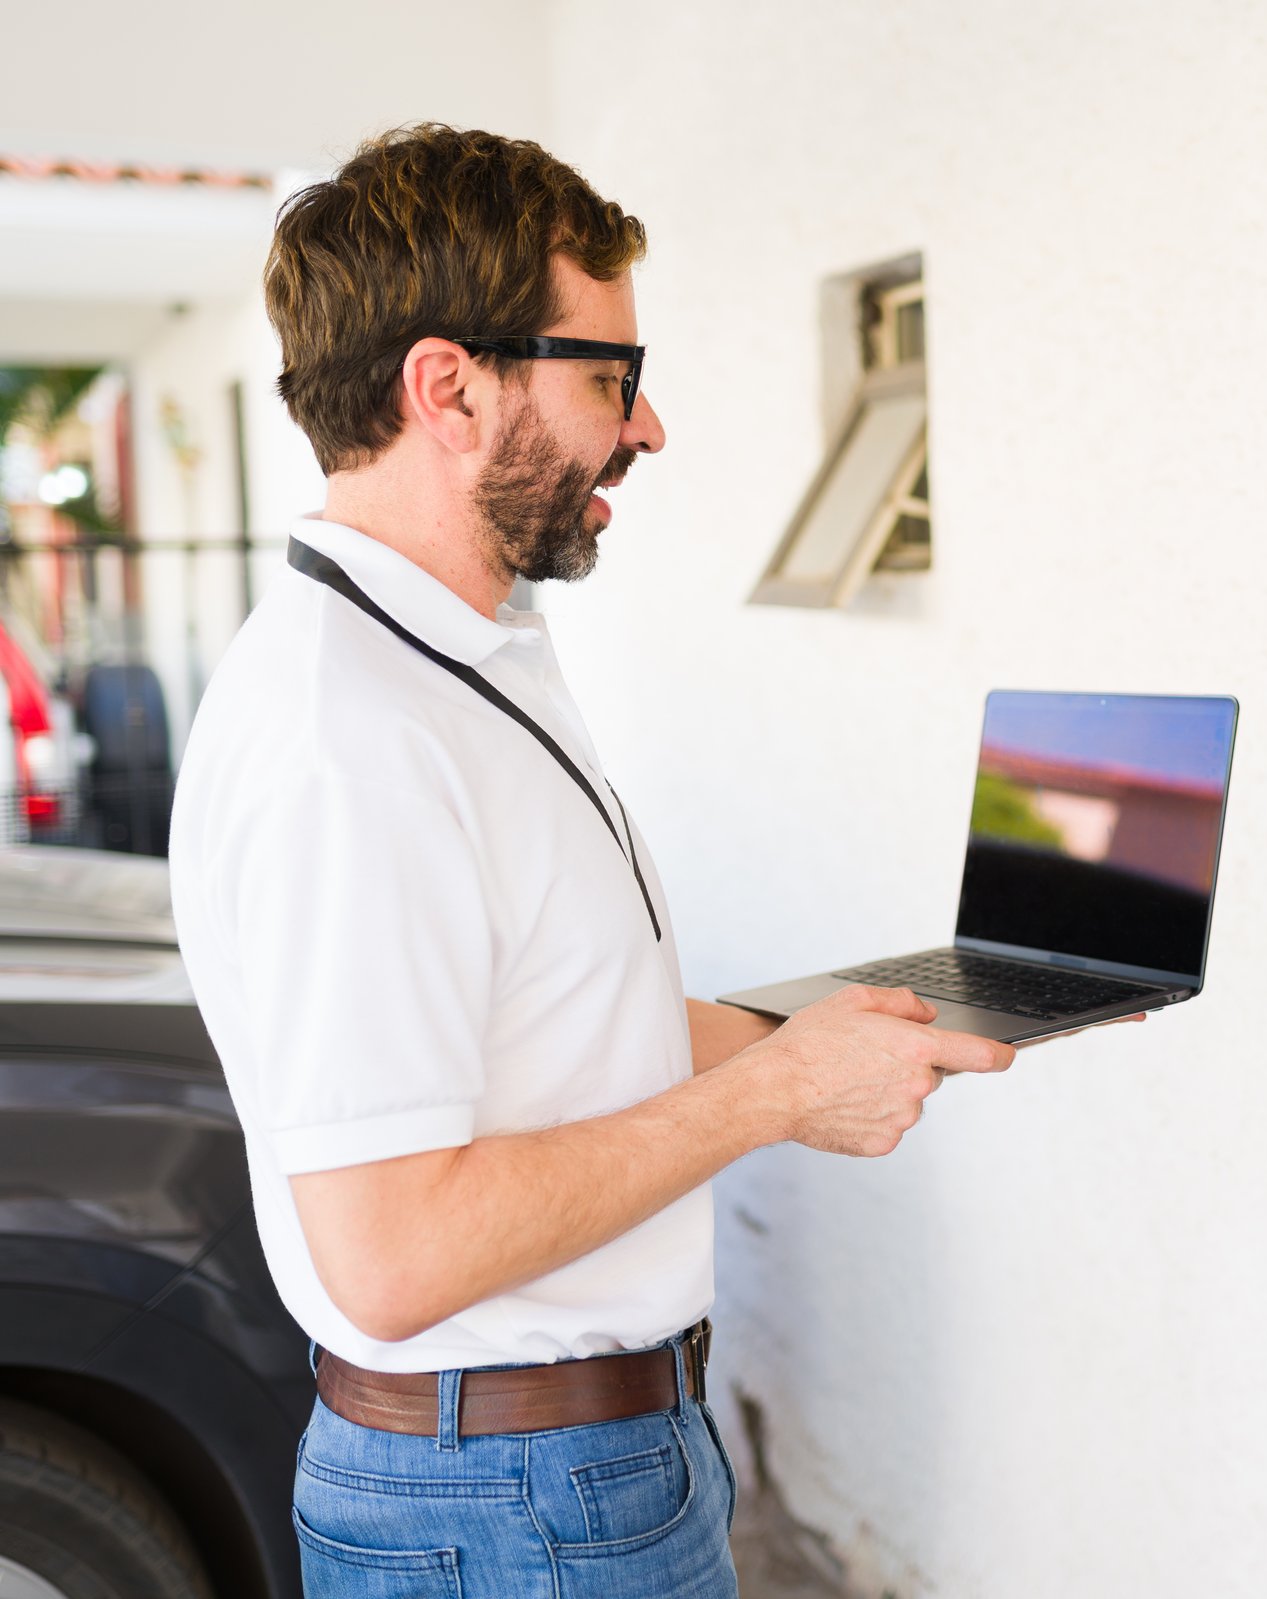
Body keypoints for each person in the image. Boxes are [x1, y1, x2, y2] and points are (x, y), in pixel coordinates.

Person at [167, 124, 1015, 1596]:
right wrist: (771, 1097)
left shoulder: (448, 657)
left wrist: (839, 1026)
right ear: (450, 387)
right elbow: (394, 1253)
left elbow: (542, 1039)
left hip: (550, 1479)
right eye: (608, 377)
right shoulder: (349, 738)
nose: (647, 426)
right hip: (515, 1507)